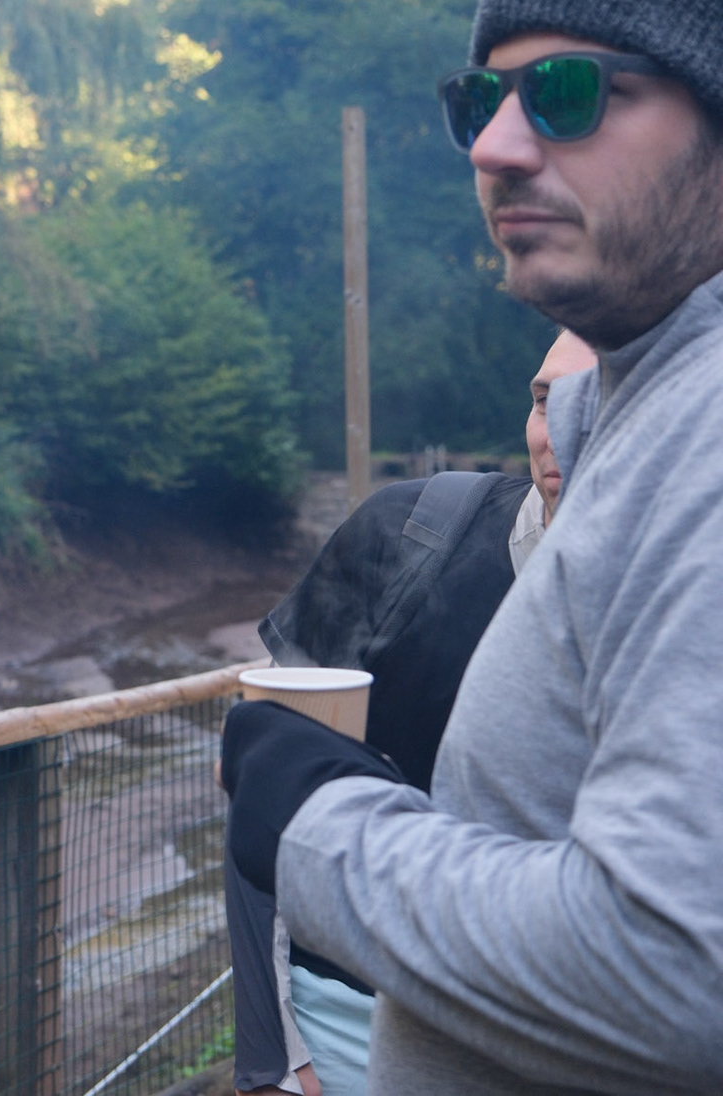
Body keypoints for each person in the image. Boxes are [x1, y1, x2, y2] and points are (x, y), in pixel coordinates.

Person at [222, 0, 723, 1094]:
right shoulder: (651, 409)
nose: (495, 146)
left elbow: (672, 974)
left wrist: (322, 826)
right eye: (480, 99)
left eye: (567, 92)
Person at [231, 331, 595, 1095]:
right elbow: (269, 787)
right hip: (346, 1017)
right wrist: (273, 1053)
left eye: (595, 400)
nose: (556, 431)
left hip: (569, 1039)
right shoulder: (407, 536)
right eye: (543, 401)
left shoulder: (685, 605)